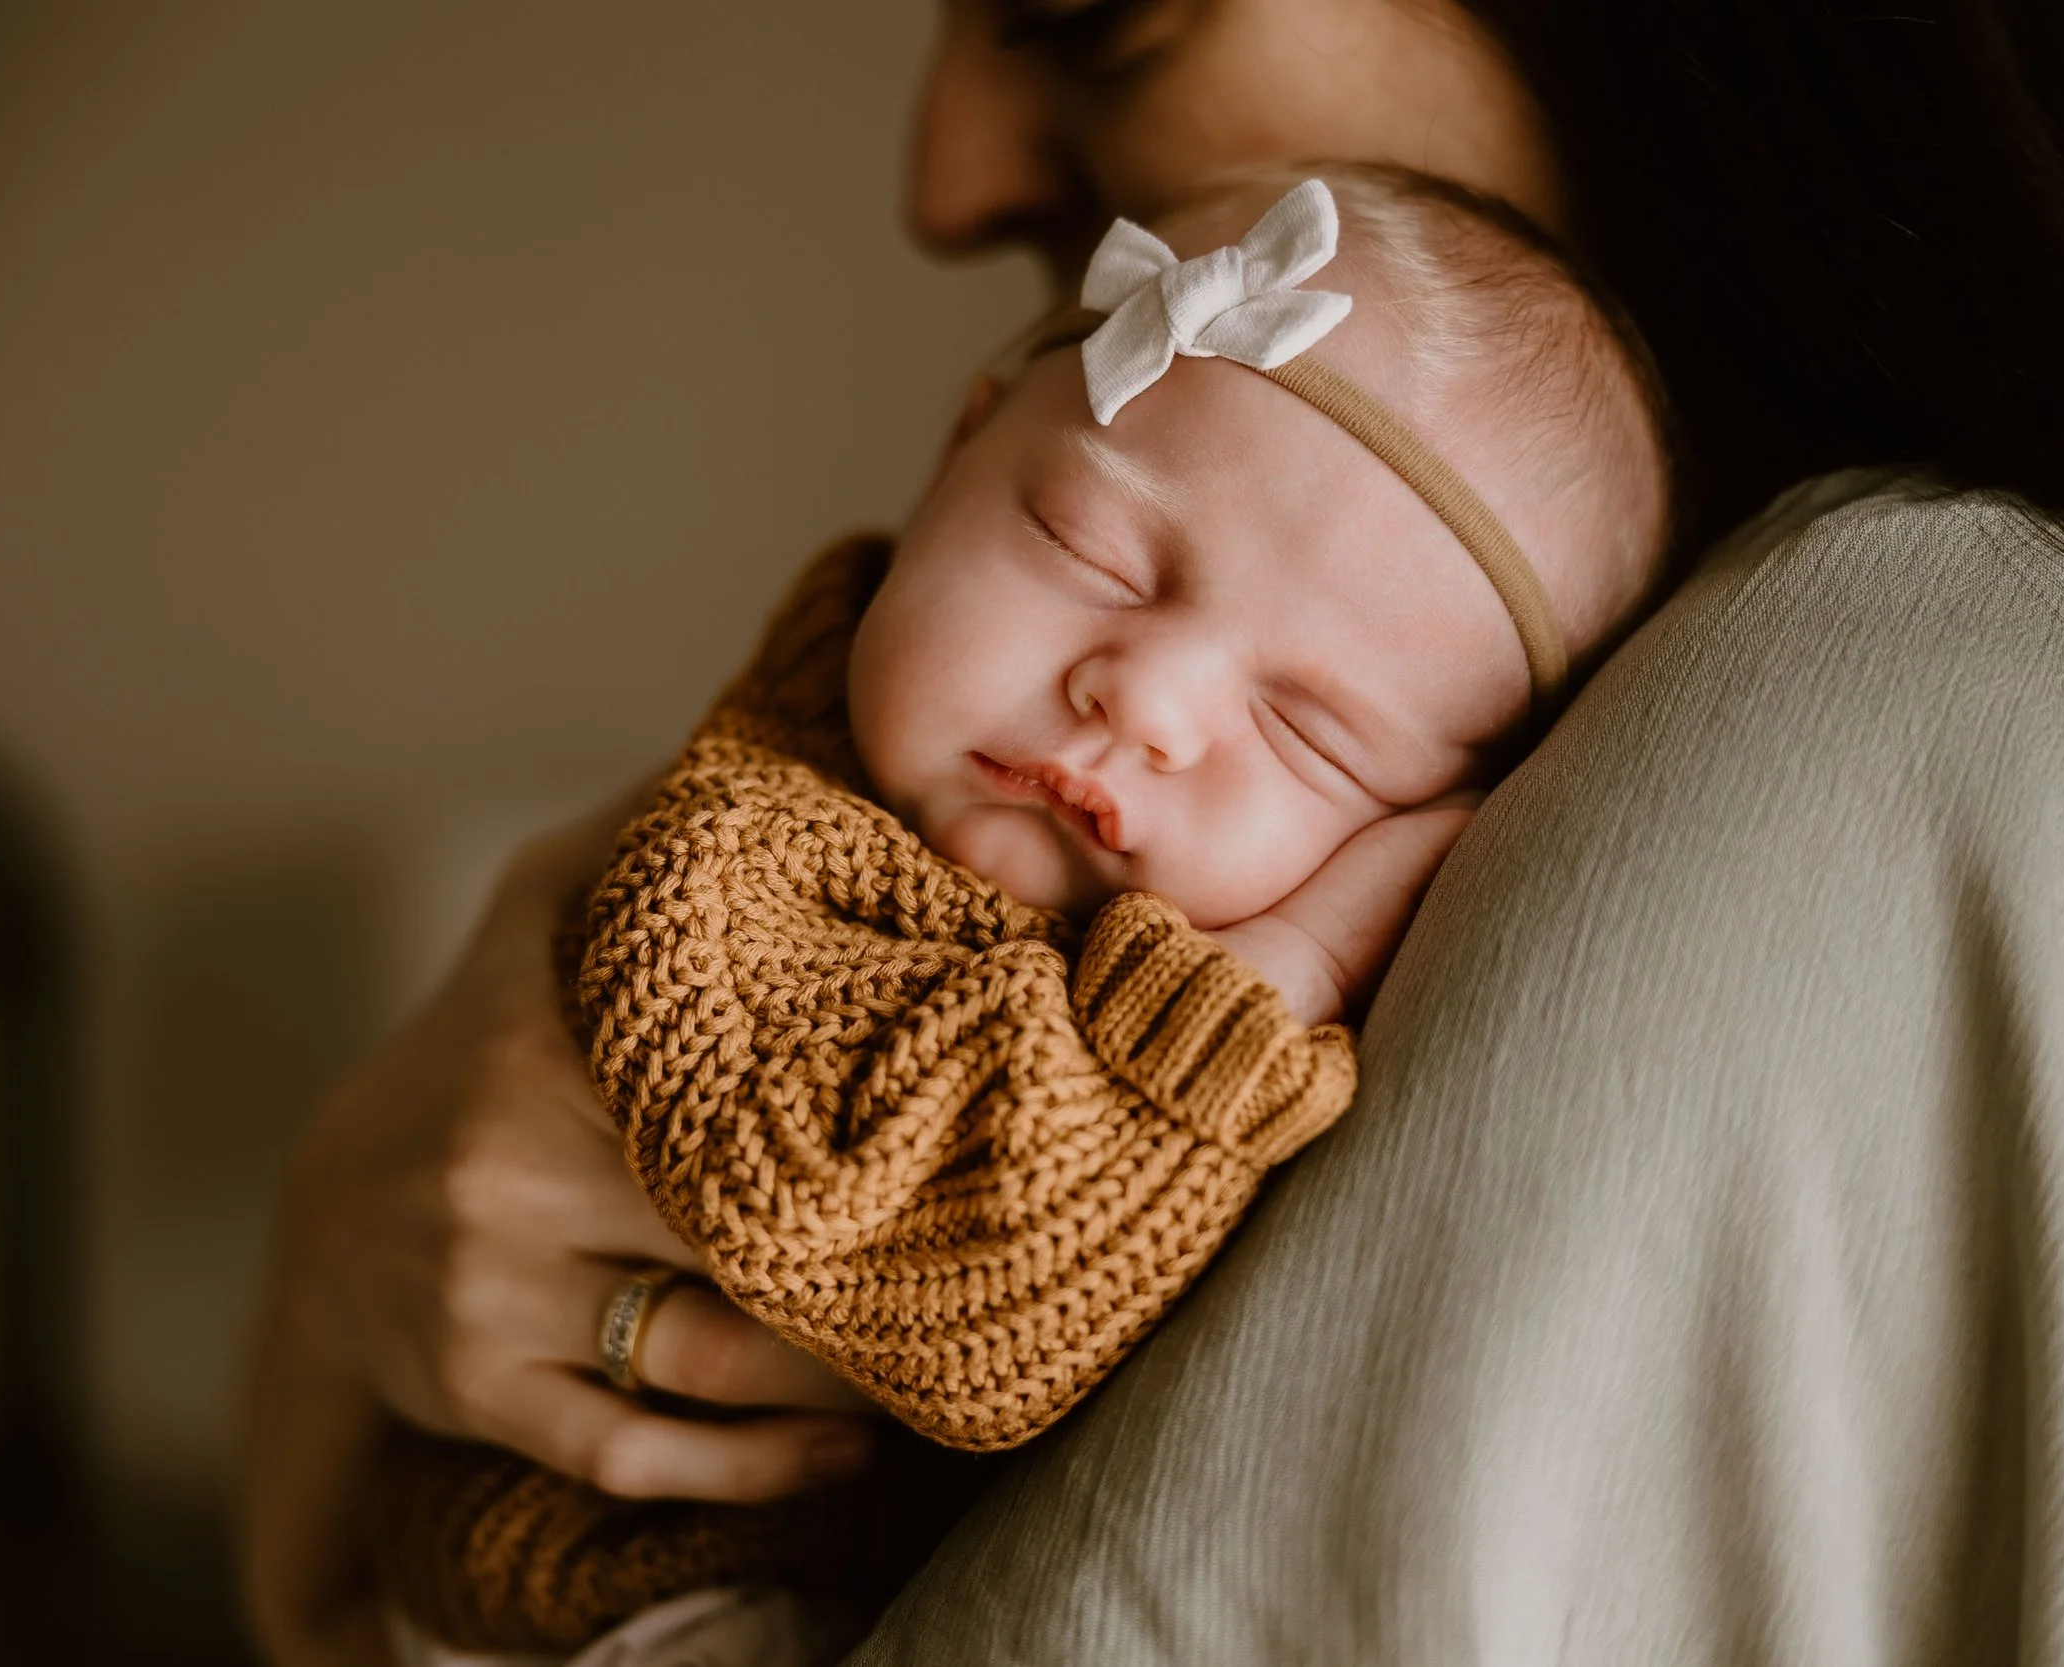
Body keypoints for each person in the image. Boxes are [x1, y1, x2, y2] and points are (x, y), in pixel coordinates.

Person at [245, 3, 2064, 1664]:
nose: (938, 171)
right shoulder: (803, 831)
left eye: (1100, 8)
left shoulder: (1907, 701)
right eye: (1086, 542)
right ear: (967, 445)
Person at [369, 166, 1669, 1659]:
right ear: (952, 456)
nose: (1150, 698)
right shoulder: (738, 863)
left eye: (1315, 734)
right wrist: (1278, 970)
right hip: (611, 1602)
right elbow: (971, 1308)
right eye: (1093, 551)